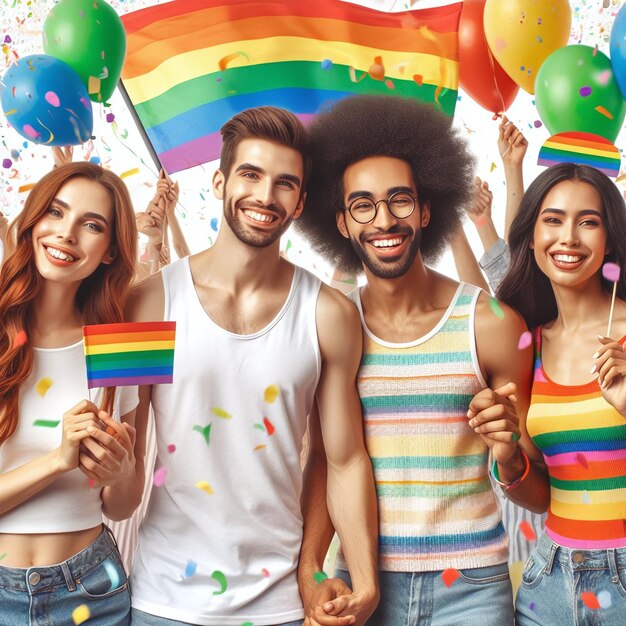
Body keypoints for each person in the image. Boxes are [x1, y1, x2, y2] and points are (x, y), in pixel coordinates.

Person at [296, 95, 549, 625]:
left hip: (472, 588)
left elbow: (536, 493)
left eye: (400, 201)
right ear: (342, 222)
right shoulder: (330, 326)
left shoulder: (491, 324)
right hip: (363, 580)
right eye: (362, 205)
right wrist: (314, 571)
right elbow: (326, 462)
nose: (383, 219)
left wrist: (507, 454)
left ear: (428, 208)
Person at [127, 106, 379, 626]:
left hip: (282, 605)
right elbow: (124, 464)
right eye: (250, 174)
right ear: (220, 180)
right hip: (162, 599)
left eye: (284, 183)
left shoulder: (329, 314)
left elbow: (343, 459)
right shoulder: (147, 303)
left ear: (301, 201)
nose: (265, 196)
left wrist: (363, 577)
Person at [0, 162, 142, 624]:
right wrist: (58, 460)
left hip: (92, 589)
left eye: (92, 225)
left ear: (108, 252)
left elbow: (122, 504)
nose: (66, 234)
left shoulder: (125, 344)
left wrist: (121, 471)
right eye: (56, 213)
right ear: (33, 219)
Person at [497, 163, 626, 625]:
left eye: (588, 222)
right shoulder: (526, 344)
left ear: (609, 239)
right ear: (531, 238)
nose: (569, 237)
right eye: (553, 220)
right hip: (548, 580)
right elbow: (542, 495)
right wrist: (508, 457)